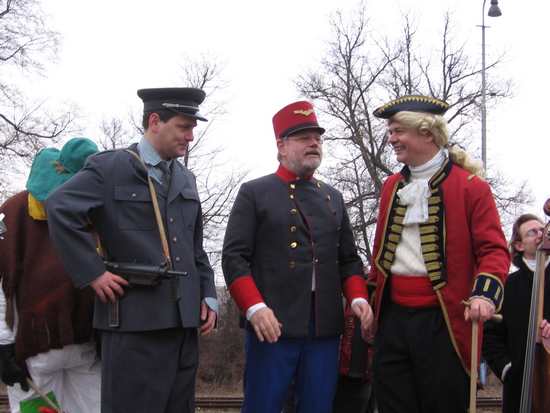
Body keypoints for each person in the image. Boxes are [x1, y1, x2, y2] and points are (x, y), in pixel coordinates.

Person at [46, 88, 218, 413]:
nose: (190, 137)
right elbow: (59, 207)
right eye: (183, 127)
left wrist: (208, 294)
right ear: (155, 121)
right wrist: (93, 272)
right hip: (133, 324)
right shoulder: (109, 168)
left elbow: (195, 248)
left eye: (192, 128)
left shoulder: (186, 178)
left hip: (184, 327)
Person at [222, 100, 373, 413]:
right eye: (304, 137)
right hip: (272, 325)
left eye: (317, 138)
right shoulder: (255, 192)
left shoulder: (333, 197)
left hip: (324, 328)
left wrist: (358, 298)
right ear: (281, 146)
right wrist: (254, 308)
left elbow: (348, 259)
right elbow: (234, 258)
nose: (314, 143)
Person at [368, 95, 510, 413]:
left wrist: (484, 295)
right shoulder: (391, 186)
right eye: (390, 132)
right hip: (393, 320)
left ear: (427, 134)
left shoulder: (471, 187)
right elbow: (380, 253)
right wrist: (370, 303)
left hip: (444, 322)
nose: (391, 139)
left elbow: (494, 250)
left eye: (398, 131)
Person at [0, 138, 100, 413]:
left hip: (86, 345)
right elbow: (2, 284)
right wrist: (4, 344)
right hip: (33, 349)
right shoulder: (12, 214)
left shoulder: (93, 214)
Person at [483, 213, 550, 413]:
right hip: (519, 386)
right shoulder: (508, 286)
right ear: (519, 245)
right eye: (532, 232)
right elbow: (490, 336)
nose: (541, 234)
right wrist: (507, 369)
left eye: (542, 230)